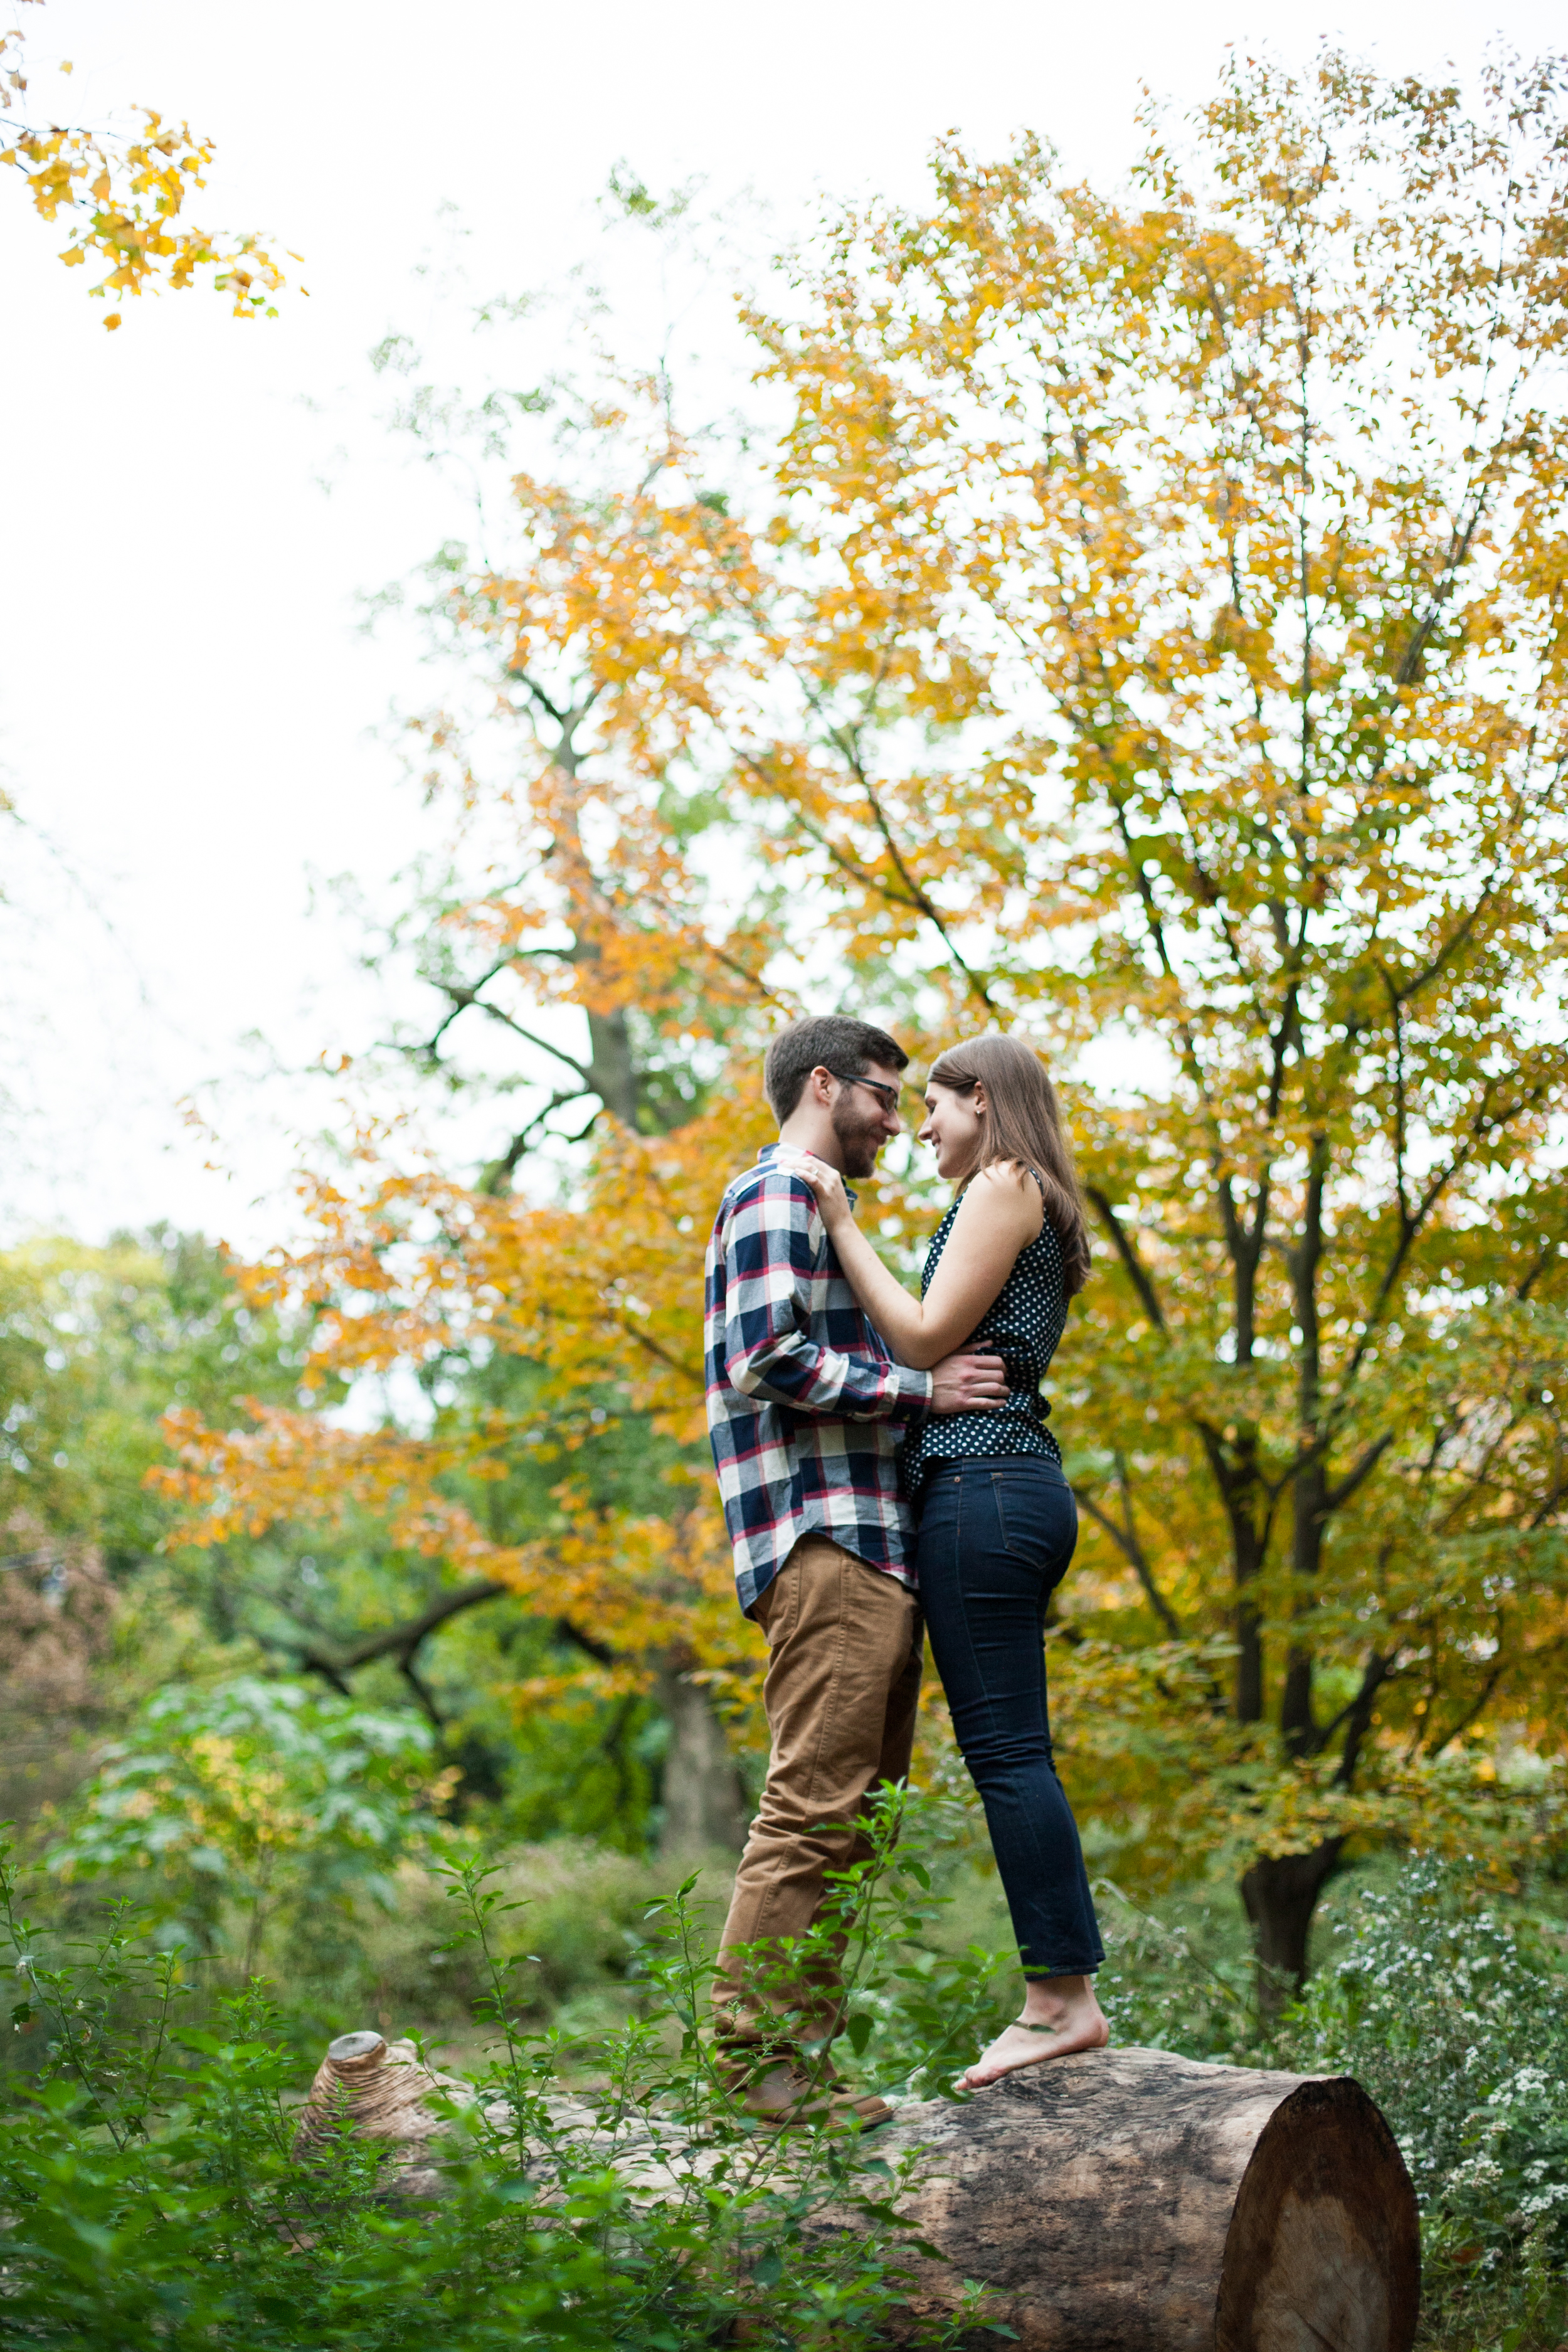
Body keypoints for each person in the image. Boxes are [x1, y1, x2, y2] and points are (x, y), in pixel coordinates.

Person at [786, 1032, 1108, 2090]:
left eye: (936, 1103)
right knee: (1013, 1750)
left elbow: (922, 1339)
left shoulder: (1006, 1181)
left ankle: (1060, 1999)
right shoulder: (1017, 1193)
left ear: (985, 1100)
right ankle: (1063, 1993)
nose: (920, 1124)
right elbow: (927, 1346)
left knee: (1010, 1754)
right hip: (999, 1488)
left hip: (985, 1489)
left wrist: (837, 1219)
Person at [704, 1014, 1010, 2127]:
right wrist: (923, 1390)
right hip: (823, 1538)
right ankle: (753, 2075)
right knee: (812, 1806)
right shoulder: (780, 1188)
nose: (898, 1118)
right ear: (822, 1085)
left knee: (856, 1815)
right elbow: (765, 1353)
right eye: (883, 1095)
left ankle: (800, 2065)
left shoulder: (821, 1207)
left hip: (871, 1547)